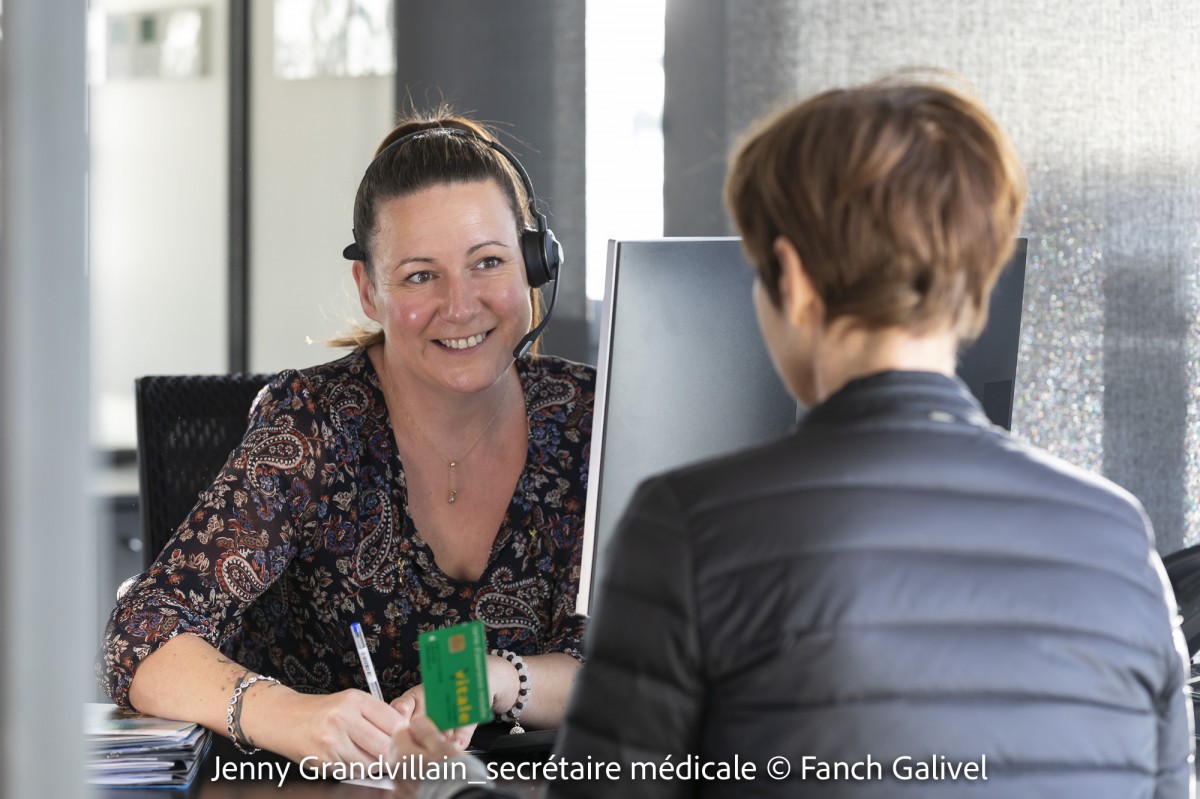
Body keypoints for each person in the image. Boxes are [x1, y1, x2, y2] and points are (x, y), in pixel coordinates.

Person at [539, 75, 1193, 797]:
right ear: (977, 276)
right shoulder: (1120, 540)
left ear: (793, 278)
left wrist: (444, 785)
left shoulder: (690, 529)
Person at [98, 110, 594, 768]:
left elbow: (649, 664)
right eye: (421, 275)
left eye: (488, 262)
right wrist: (288, 713)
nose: (461, 303)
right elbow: (142, 633)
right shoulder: (312, 422)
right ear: (368, 289)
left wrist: (490, 680)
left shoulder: (589, 416)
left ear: (535, 265)